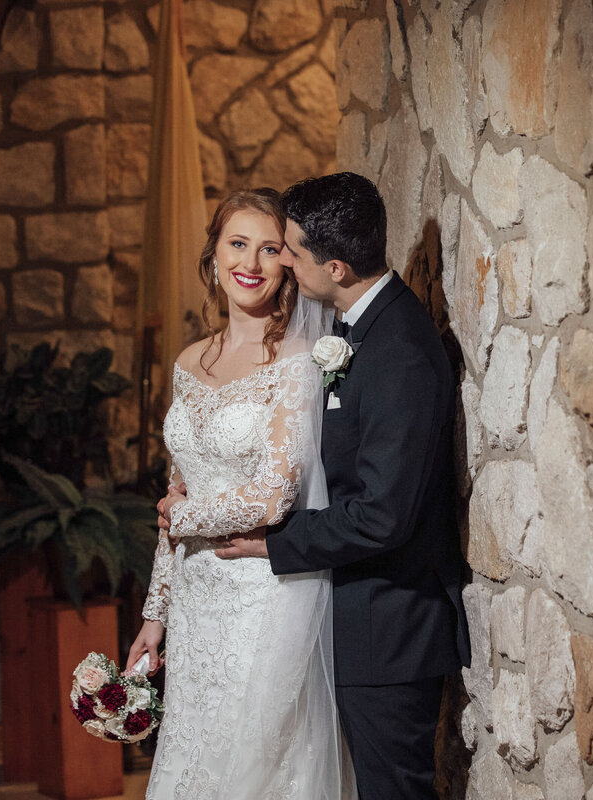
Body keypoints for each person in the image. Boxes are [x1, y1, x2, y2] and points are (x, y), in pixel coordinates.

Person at [200, 172, 472, 800]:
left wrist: (273, 541)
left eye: (291, 251)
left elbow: (381, 516)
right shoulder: (357, 328)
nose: (282, 262)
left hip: (388, 627)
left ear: (339, 266)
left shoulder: (398, 351)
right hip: (355, 619)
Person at [126, 188, 351, 800]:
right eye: (237, 243)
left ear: (287, 263)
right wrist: (155, 615)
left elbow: (273, 497)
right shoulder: (189, 360)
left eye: (269, 247)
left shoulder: (300, 361)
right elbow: (177, 492)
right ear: (215, 254)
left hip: (263, 595)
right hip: (197, 602)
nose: (250, 262)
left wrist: (186, 511)